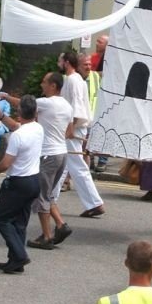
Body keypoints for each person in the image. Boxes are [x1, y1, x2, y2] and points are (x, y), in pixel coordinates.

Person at [2, 73, 75, 250]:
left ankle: (47, 236)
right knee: (48, 194)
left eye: (44, 82)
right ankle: (60, 225)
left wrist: (5, 96)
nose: (41, 84)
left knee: (41, 196)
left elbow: (24, 104)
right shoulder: (67, 105)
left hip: (48, 156)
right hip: (62, 154)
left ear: (53, 86)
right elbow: (70, 132)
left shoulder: (46, 102)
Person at [0, 95, 43, 274]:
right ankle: (14, 261)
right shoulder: (38, 128)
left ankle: (19, 255)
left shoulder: (17, 136)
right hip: (34, 181)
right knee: (19, 222)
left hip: (18, 182)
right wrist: (2, 116)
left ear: (19, 113)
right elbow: (15, 125)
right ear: (35, 113)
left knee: (2, 219)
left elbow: (6, 163)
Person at [58, 50, 106, 217]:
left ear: (66, 62)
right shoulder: (75, 80)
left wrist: (70, 127)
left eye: (60, 60)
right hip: (73, 126)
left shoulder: (73, 80)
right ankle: (47, 199)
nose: (58, 63)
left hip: (74, 127)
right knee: (64, 163)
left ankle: (95, 202)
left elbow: (76, 106)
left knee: (76, 165)